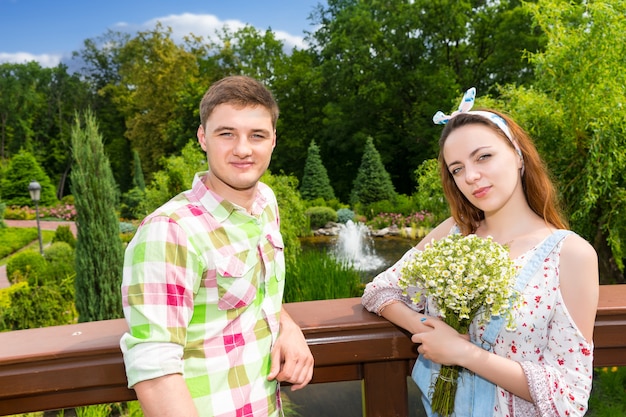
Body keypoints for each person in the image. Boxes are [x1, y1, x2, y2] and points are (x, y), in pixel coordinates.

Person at [362, 88, 599, 416]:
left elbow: (569, 395)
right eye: (457, 169)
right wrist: (427, 327)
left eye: (483, 157)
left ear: (517, 155)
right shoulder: (453, 233)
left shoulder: (570, 255)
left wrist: (464, 353)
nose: (471, 176)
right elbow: (380, 291)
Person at [120, 75, 314, 417]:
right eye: (227, 133)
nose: (243, 149)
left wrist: (289, 325)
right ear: (203, 138)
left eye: (257, 135)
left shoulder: (266, 203)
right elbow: (154, 368)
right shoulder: (169, 231)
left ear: (273, 142)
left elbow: (260, 290)